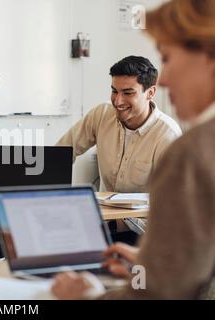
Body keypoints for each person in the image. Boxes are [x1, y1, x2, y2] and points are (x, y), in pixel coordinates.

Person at [52, 0, 215, 299]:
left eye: (168, 58)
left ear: (207, 56)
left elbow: (160, 293)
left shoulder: (189, 149)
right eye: (114, 91)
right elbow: (192, 263)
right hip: (115, 234)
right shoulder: (102, 116)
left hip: (141, 231)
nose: (164, 78)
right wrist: (155, 265)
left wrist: (88, 296)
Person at [56, 55, 182, 244]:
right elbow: (60, 154)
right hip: (101, 224)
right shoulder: (102, 114)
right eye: (114, 91)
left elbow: (173, 208)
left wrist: (117, 224)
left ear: (150, 93)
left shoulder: (168, 135)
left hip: (144, 234)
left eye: (128, 93)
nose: (118, 100)